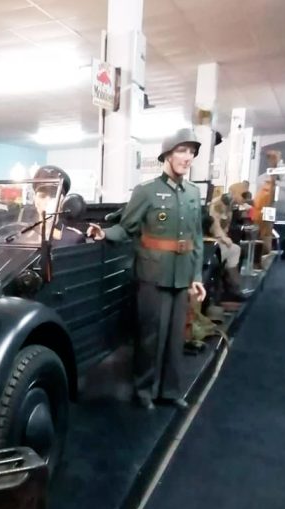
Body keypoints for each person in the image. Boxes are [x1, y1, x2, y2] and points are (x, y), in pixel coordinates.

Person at [88, 128, 206, 410]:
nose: (187, 157)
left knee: (175, 337)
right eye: (181, 150)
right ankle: (144, 390)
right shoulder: (146, 191)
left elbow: (197, 238)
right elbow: (126, 228)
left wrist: (196, 276)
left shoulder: (193, 192)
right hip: (153, 273)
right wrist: (104, 233)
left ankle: (170, 391)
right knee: (150, 336)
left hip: (182, 274)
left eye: (191, 152)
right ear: (167, 154)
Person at [29, 165, 86, 245]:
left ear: (62, 201)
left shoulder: (72, 239)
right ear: (35, 200)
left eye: (54, 195)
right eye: (42, 196)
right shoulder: (22, 236)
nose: (47, 201)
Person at [208, 193, 249, 300]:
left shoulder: (228, 208)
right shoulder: (215, 206)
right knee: (234, 250)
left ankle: (232, 286)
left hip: (220, 239)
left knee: (236, 249)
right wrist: (223, 237)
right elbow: (215, 226)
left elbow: (226, 227)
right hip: (212, 239)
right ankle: (234, 287)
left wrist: (225, 237)